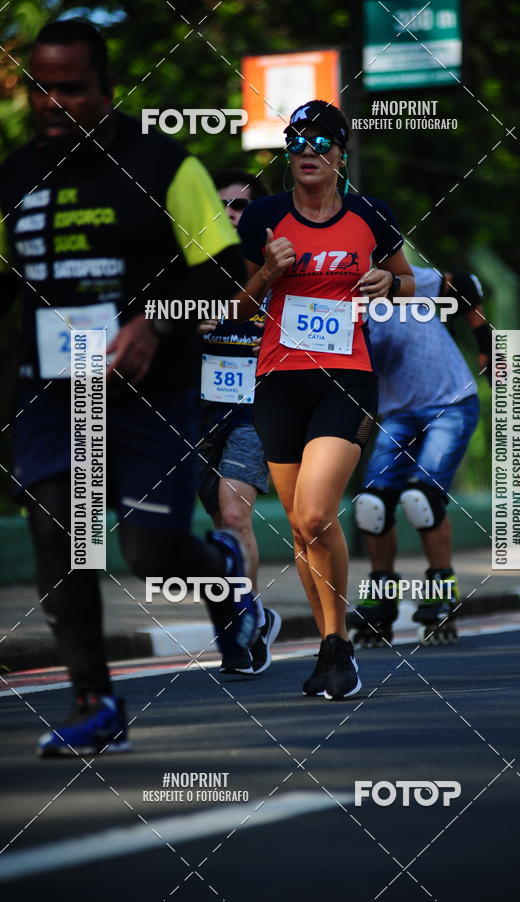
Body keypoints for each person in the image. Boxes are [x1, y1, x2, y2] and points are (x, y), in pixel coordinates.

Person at [0, 19, 257, 756]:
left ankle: (223, 573)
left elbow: (222, 272)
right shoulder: (15, 179)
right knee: (59, 536)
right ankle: (94, 702)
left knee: (152, 553)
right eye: (40, 89)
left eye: (71, 88)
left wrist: (153, 322)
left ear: (106, 90)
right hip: (56, 395)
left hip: (151, 393)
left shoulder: (166, 167)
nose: (53, 103)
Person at [234, 99, 415, 699]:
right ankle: (327, 645)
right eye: (296, 143)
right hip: (278, 382)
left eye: (320, 143)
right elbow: (230, 309)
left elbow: (409, 282)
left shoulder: (370, 214)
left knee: (316, 513)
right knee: (298, 526)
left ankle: (339, 645)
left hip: (347, 378)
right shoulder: (261, 215)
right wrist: (267, 274)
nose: (307, 152)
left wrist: (389, 281)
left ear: (341, 154)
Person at [348, 264, 491, 646]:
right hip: (395, 414)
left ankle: (441, 591)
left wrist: (486, 343)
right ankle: (381, 601)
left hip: (452, 402)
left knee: (421, 499)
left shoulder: (402, 279)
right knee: (372, 506)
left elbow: (466, 283)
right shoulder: (333, 301)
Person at [197, 168, 280, 676]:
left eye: (242, 206)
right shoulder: (192, 272)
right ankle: (256, 615)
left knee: (234, 514)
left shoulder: (282, 272)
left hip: (257, 409)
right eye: (222, 205)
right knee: (221, 529)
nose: (230, 214)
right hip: (198, 412)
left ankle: (244, 629)